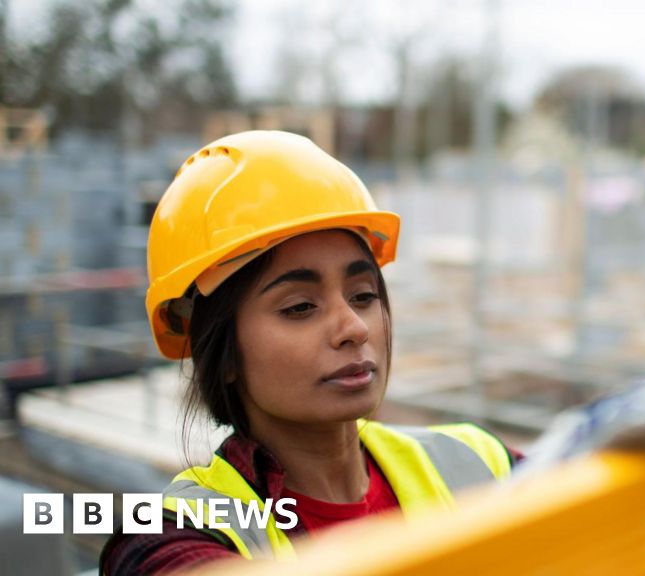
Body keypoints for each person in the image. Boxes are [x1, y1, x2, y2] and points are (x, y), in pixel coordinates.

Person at [100, 131, 517, 574]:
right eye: (300, 306)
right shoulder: (173, 533)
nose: (354, 328)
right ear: (222, 355)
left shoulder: (476, 457)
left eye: (363, 295)